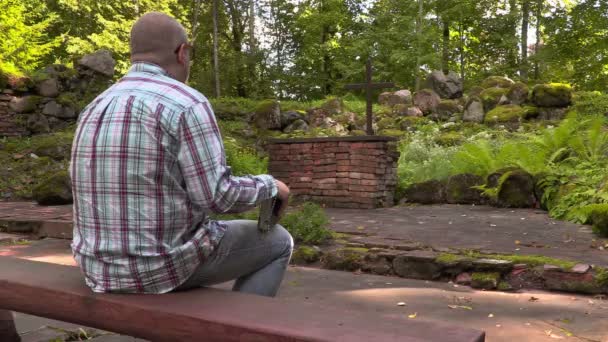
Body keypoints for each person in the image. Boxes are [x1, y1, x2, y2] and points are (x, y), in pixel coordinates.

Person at [69, 12, 293, 297]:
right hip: (158, 268)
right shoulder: (186, 103)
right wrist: (272, 187)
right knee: (279, 242)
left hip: (96, 268)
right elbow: (216, 196)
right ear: (182, 53)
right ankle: (241, 331)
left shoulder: (95, 106)